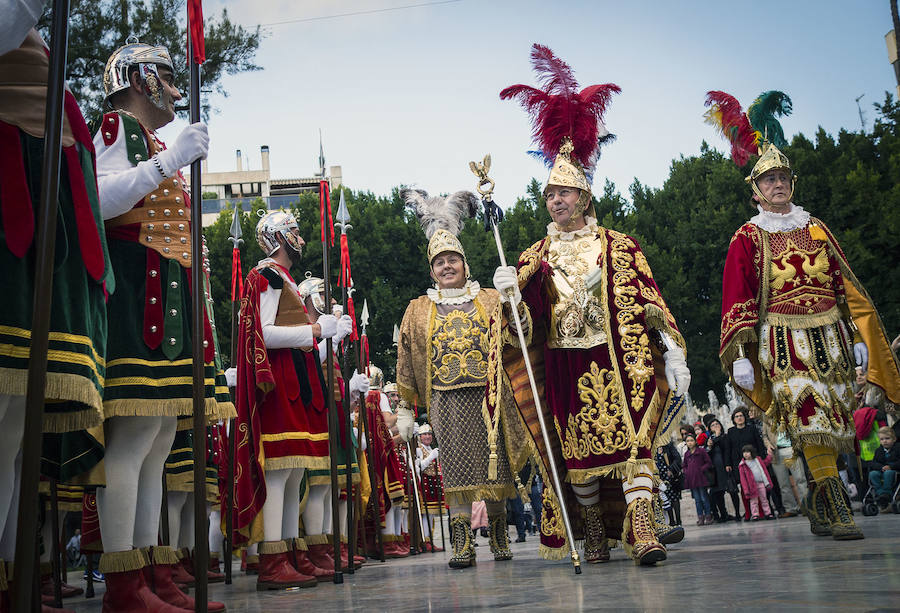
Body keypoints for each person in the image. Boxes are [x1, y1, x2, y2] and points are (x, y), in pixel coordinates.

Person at [493, 44, 691, 565]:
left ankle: (644, 528)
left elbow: (650, 299)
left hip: (618, 354)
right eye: (549, 195)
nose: (556, 201)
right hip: (564, 357)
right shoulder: (532, 255)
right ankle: (596, 530)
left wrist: (671, 347)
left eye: (564, 193)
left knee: (635, 443)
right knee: (579, 451)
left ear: (583, 197)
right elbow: (521, 328)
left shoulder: (619, 244)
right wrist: (510, 294)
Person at [715, 90, 900, 540]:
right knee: (808, 414)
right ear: (755, 190)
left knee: (835, 420)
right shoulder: (747, 236)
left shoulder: (816, 226)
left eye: (783, 177)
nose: (777, 184)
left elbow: (844, 283)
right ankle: (837, 506)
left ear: (791, 182)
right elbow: (737, 293)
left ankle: (818, 497)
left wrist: (859, 332)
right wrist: (741, 352)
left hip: (832, 336)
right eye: (769, 180)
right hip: (782, 339)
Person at [93, 39, 236, 612]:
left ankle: (153, 571)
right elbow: (98, 199)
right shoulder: (115, 129)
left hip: (165, 298)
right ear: (141, 78)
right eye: (169, 78)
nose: (177, 90)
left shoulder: (150, 140)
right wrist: (166, 162)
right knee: (131, 442)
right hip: (134, 293)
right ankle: (124, 583)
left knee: (156, 443)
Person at [230, 210, 359, 590]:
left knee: (294, 473)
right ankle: (273, 558)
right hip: (277, 384)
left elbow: (301, 348)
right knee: (279, 473)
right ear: (278, 237)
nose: (300, 238)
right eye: (295, 231)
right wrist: (316, 329)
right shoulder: (266, 276)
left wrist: (325, 338)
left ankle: (290, 552)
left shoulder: (283, 278)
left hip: (296, 383)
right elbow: (264, 334)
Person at [396, 188, 517, 569]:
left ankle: (499, 537)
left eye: (452, 260)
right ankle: (462, 544)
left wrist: (514, 298)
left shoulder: (490, 299)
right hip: (446, 401)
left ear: (464, 264)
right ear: (431, 270)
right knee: (459, 473)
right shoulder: (417, 310)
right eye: (439, 262)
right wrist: (404, 408)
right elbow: (406, 360)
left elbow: (520, 336)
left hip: (491, 397)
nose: (446, 266)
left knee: (494, 470)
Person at [726, 408, 765, 520]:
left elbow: (759, 443)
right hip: (739, 464)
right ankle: (748, 513)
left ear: (745, 417)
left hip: (753, 461)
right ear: (734, 419)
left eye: (741, 416)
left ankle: (760, 512)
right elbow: (728, 449)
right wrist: (728, 463)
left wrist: (761, 458)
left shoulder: (751, 429)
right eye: (736, 416)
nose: (739, 418)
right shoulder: (731, 431)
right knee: (744, 488)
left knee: (757, 486)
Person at [763, 419, 807, 518]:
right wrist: (768, 445)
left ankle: (807, 507)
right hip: (776, 452)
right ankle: (790, 508)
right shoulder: (767, 417)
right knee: (783, 483)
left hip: (792, 449)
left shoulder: (789, 413)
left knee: (800, 479)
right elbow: (764, 435)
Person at [706, 418, 737, 522]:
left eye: (717, 424)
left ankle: (737, 513)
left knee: (732, 489)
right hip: (715, 469)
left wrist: (718, 435)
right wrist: (709, 446)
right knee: (718, 492)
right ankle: (723, 514)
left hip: (725, 465)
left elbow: (727, 449)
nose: (715, 426)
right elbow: (707, 453)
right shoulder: (709, 439)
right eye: (712, 425)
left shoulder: (725, 436)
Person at [682, 434, 713, 525]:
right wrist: (686, 471)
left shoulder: (701, 451)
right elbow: (684, 465)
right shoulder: (686, 454)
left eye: (691, 440)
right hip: (692, 480)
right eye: (688, 441)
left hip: (701, 478)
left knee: (704, 498)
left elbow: (708, 462)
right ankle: (700, 517)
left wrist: (701, 469)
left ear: (695, 442)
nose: (690, 443)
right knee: (697, 500)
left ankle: (708, 515)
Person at [738, 446, 774, 521]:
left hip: (761, 483)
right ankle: (755, 515)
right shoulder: (742, 465)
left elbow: (765, 463)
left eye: (747, 452)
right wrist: (746, 490)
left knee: (764, 499)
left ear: (752, 452)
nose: (746, 454)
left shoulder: (758, 460)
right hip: (751, 486)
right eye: (744, 452)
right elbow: (743, 479)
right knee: (753, 501)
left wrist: (769, 456)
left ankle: (768, 513)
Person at [869, 427, 899, 509]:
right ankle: (880, 494)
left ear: (894, 439)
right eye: (882, 439)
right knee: (873, 474)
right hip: (882, 470)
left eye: (887, 438)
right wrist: (881, 467)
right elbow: (874, 463)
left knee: (888, 473)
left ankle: (886, 493)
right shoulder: (879, 450)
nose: (884, 441)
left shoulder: (897, 448)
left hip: (894, 471)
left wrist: (891, 466)